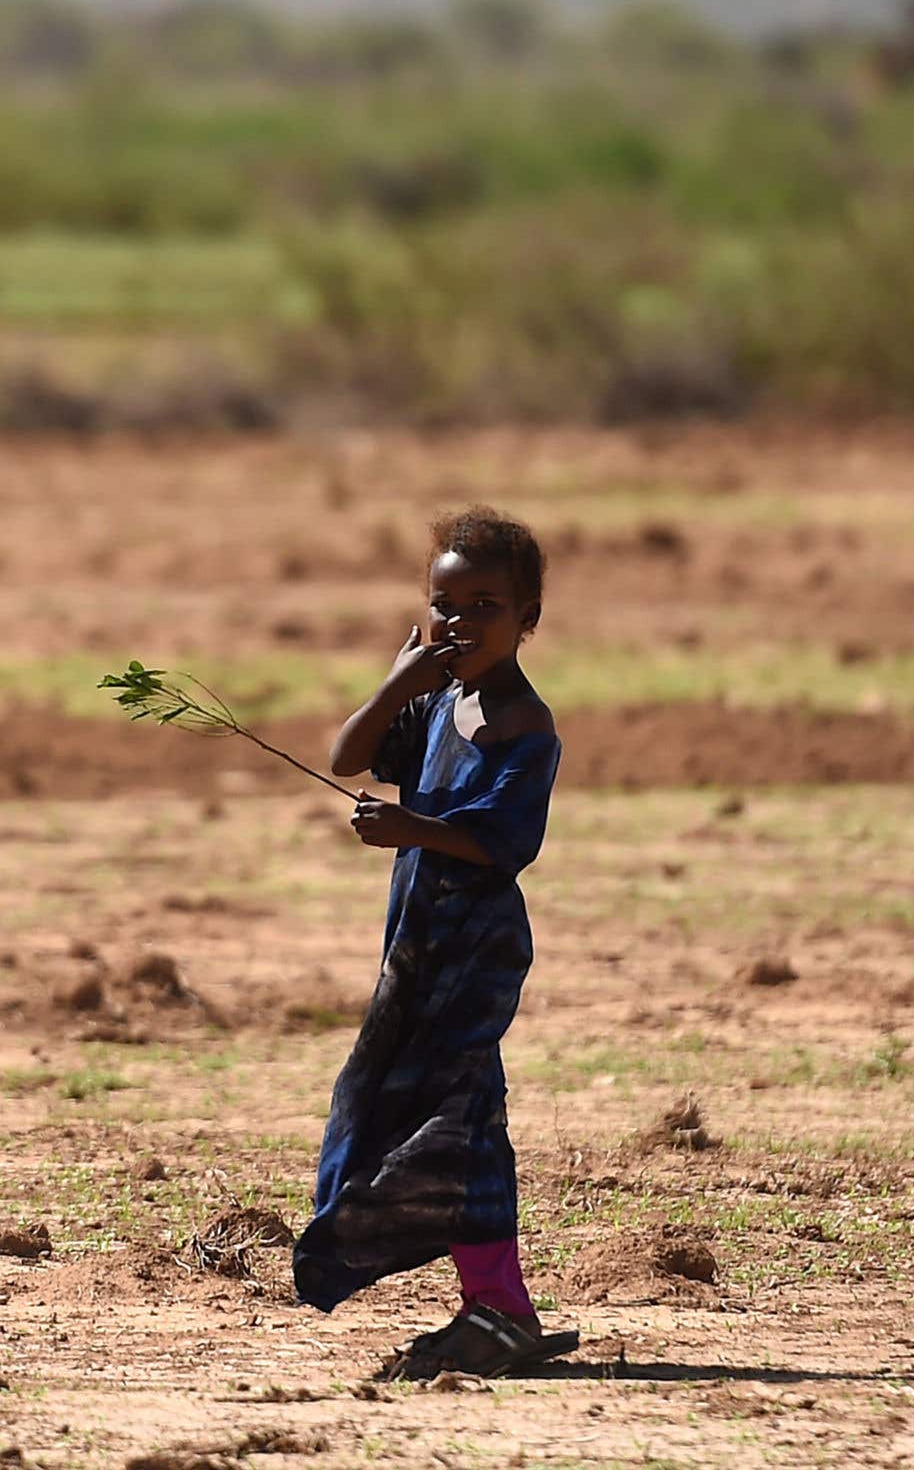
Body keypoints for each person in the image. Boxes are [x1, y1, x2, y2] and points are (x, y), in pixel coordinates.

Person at [294, 503, 577, 1380]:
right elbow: (347, 756)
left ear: (528, 616)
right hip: (419, 943)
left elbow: (506, 842)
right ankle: (499, 1310)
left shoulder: (523, 727)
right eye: (447, 605)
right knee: (451, 1118)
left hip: (474, 947)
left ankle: (497, 1311)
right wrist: (396, 686)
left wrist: (417, 826)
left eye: (488, 604)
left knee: (450, 1118)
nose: (464, 622)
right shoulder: (440, 705)